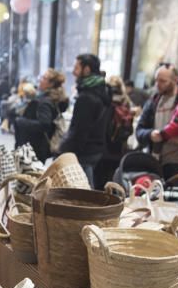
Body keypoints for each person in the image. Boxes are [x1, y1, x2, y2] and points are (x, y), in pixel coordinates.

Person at [60, 53, 110, 186]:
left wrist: (63, 151)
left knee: (84, 192)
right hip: (96, 148)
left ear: (86, 69)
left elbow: (80, 129)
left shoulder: (86, 96)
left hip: (84, 151)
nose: (73, 72)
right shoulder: (102, 90)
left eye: (76, 68)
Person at [135, 63, 178, 174]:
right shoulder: (153, 101)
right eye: (156, 80)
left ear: (175, 80)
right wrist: (150, 134)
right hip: (156, 157)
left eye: (163, 81)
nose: (157, 85)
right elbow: (139, 130)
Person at [16, 69, 68, 163]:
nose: (40, 79)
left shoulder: (44, 102)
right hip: (38, 146)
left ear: (51, 84)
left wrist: (21, 121)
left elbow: (44, 124)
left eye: (44, 78)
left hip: (34, 147)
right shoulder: (53, 99)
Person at [95, 75, 135, 188]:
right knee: (112, 182)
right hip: (118, 149)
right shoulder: (126, 102)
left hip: (103, 149)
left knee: (98, 183)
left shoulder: (105, 102)